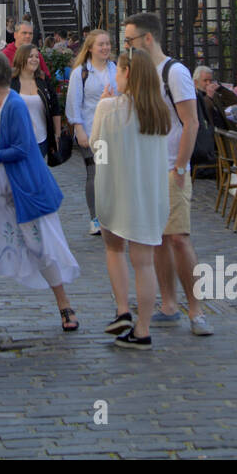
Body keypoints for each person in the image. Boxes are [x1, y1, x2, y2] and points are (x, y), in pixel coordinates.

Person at [0, 51, 80, 332]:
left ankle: (64, 305)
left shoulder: (12, 105)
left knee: (39, 244)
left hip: (17, 191)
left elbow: (22, 148)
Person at [123, 12, 213, 335]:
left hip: (171, 166)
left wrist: (179, 166)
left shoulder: (175, 73)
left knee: (178, 237)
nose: (127, 47)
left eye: (130, 41)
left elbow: (191, 122)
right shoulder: (139, 73)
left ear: (148, 39)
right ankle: (168, 303)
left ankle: (196, 309)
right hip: (147, 167)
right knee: (157, 238)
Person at [92, 49, 174, 348]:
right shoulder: (159, 110)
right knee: (145, 263)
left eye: (118, 70)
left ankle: (123, 309)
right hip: (150, 194)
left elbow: (95, 147)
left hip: (117, 189)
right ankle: (143, 326)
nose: (115, 75)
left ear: (127, 73)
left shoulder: (109, 108)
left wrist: (102, 107)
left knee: (114, 250)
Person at [66, 29, 119, 236]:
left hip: (113, 131)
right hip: (92, 131)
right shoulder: (81, 72)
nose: (105, 48)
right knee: (95, 173)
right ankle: (95, 217)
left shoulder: (114, 69)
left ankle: (111, 214)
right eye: (101, 44)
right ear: (90, 48)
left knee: (110, 173)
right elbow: (74, 103)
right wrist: (79, 130)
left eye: (107, 44)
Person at [9, 44, 63, 163]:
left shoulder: (43, 81)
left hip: (41, 139)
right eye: (30, 56)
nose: (35, 60)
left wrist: (57, 134)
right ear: (21, 58)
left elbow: (55, 107)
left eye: (37, 57)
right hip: (17, 140)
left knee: (35, 176)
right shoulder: (10, 82)